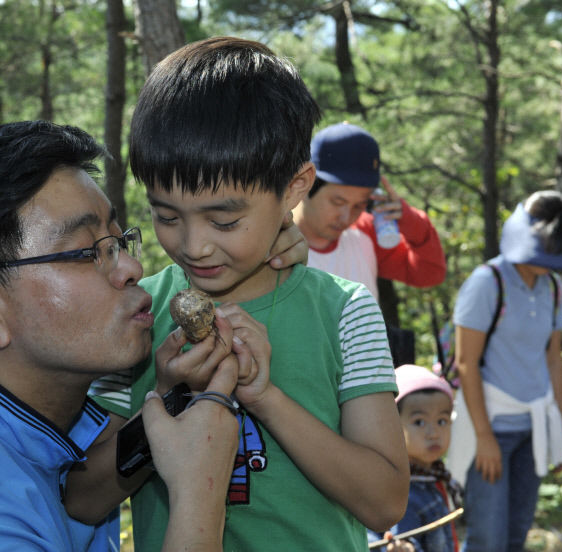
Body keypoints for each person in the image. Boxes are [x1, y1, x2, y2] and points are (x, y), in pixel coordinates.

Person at [0, 120, 254, 552]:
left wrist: (174, 398)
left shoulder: (6, 414)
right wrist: (199, 493)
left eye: (119, 241)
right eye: (89, 251)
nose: (132, 268)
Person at [82, 37, 409, 551]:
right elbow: (83, 497)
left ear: (295, 188)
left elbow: (386, 501)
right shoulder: (134, 311)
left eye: (226, 219)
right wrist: (169, 398)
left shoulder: (343, 311)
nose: (193, 245)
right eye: (165, 215)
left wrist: (267, 398)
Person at [447, 190, 562, 551]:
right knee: (487, 538)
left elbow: (552, 358)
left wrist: (560, 428)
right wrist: (484, 436)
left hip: (534, 427)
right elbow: (466, 362)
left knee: (515, 536)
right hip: (492, 426)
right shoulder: (487, 283)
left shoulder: (554, 288)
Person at [292, 122, 446, 303]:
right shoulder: (269, 239)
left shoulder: (365, 232)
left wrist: (409, 219)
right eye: (337, 201)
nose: (346, 217)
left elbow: (429, 274)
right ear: (303, 184)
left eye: (360, 205)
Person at [369, 364, 462, 552]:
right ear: (392, 426)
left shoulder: (434, 477)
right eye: (419, 422)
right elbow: (404, 541)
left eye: (442, 421)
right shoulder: (404, 493)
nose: (433, 433)